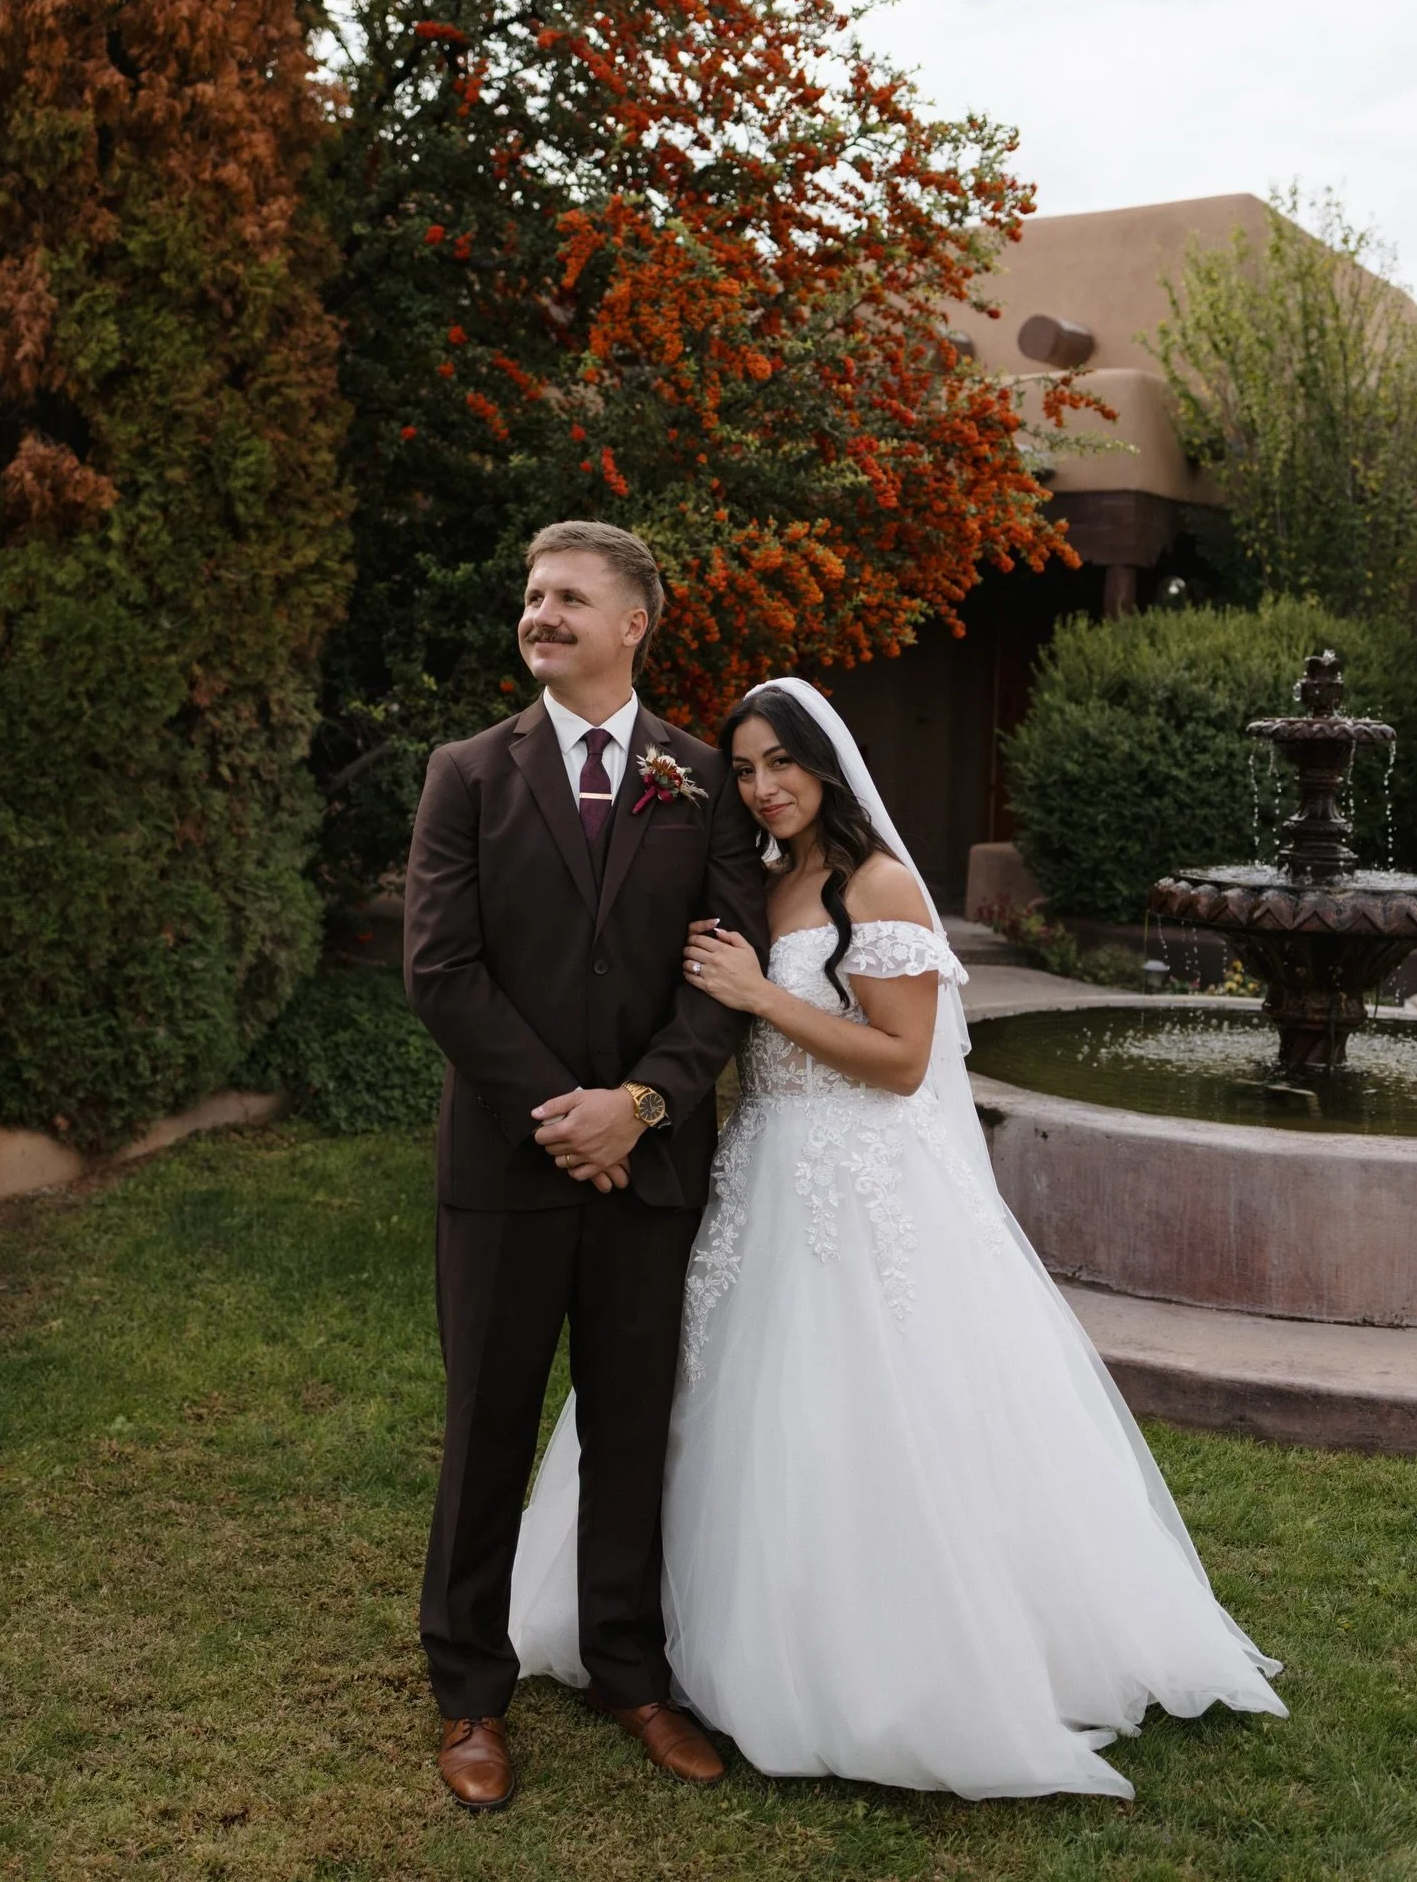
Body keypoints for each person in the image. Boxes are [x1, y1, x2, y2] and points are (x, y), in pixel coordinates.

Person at [509, 676, 1287, 1800]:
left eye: (783, 762)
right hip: (759, 1168)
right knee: (720, 1402)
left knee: (861, 1408)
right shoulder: (764, 883)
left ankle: (890, 1664)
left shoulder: (882, 886)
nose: (764, 786)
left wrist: (759, 997)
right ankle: (690, 1633)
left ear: (826, 762)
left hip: (862, 1180)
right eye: (745, 767)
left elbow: (901, 1060)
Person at [403, 521, 769, 1812]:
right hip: (507, 1163)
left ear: (635, 622)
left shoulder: (703, 777)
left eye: (569, 596)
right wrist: (567, 1112)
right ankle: (468, 1691)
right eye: (532, 594)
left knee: (632, 1423)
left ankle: (630, 1668)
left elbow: (731, 973)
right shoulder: (468, 772)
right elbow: (441, 969)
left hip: (653, 1166)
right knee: (486, 1427)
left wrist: (644, 1104)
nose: (541, 613)